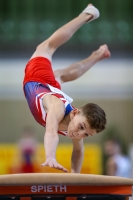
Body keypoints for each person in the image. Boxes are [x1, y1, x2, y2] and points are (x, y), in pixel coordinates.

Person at [23, 3, 111, 173]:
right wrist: (50, 156)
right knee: (48, 46)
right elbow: (51, 131)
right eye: (81, 127)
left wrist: (75, 176)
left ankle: (98, 55)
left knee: (60, 76)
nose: (79, 134)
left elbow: (78, 151)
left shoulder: (77, 127)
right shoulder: (57, 107)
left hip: (48, 87)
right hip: (36, 77)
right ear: (75, 112)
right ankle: (87, 15)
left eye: (86, 134)